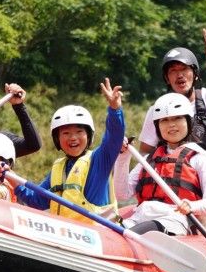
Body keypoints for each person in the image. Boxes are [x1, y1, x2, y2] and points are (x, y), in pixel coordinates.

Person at [138, 26, 206, 182]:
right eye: (173, 71)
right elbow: (145, 153)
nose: (179, 75)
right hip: (173, 179)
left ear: (195, 74)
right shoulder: (157, 110)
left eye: (184, 69)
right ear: (167, 78)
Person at [13, 78, 124, 223]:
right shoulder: (58, 169)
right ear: (57, 139)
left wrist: (115, 110)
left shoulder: (100, 159)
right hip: (65, 234)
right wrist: (12, 178)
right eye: (65, 133)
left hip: (96, 235)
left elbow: (114, 137)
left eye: (79, 132)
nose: (73, 138)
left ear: (89, 136)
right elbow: (37, 200)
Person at [115, 93, 206, 236]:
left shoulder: (199, 159)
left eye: (177, 118)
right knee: (116, 229)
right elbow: (121, 194)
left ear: (189, 121)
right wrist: (123, 157)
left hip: (173, 220)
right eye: (164, 120)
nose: (171, 124)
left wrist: (192, 205)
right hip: (140, 217)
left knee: (130, 232)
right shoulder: (148, 159)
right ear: (157, 126)